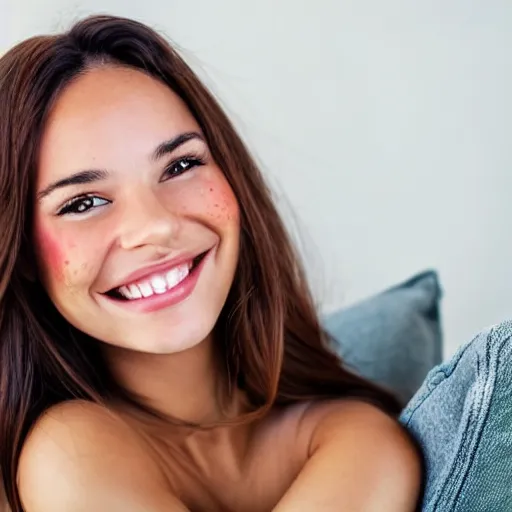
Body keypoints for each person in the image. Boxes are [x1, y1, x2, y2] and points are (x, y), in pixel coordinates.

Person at [0, 14, 421, 512]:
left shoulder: (361, 438)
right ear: (21, 251)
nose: (154, 226)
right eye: (84, 203)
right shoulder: (66, 450)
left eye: (180, 165)